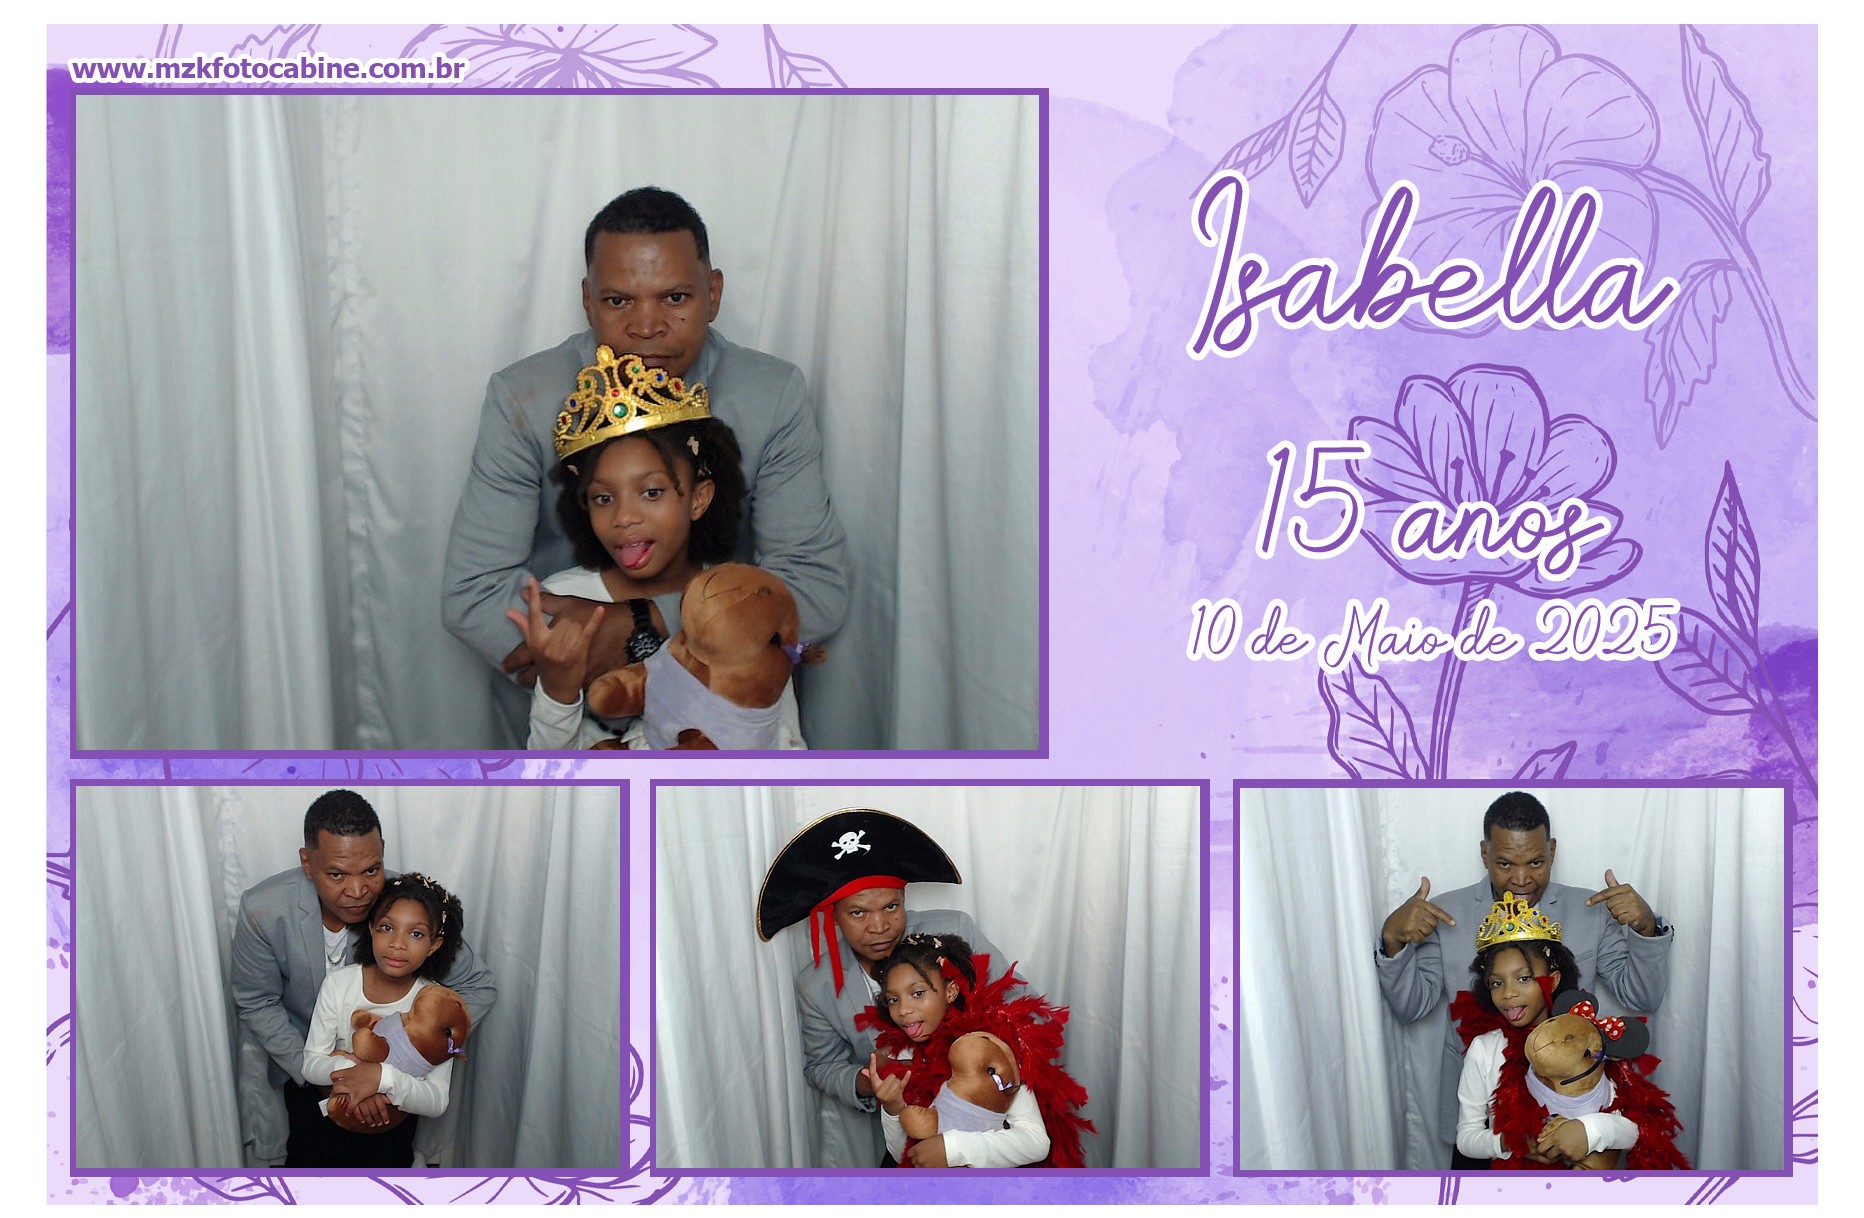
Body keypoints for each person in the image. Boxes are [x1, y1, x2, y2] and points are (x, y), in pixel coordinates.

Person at [442, 186, 850, 746]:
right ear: (587, 300)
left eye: (675, 297)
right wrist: (575, 665)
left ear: (713, 294)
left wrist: (645, 622)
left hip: (726, 715)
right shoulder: (524, 398)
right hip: (570, 713)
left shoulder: (771, 394)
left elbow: (815, 583)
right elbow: (474, 592)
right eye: (618, 301)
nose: (646, 326)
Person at [508, 345, 801, 748]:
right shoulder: (565, 600)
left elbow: (787, 746)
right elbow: (550, 773)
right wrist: (558, 690)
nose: (624, 517)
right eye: (603, 498)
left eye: (651, 492)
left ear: (698, 499)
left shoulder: (739, 600)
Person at [1375, 791, 1674, 1168]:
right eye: (1504, 863)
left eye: (1535, 862)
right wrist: (1393, 940)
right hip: (1484, 1118)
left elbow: (1643, 997)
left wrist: (1646, 930)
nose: (1520, 879)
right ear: (1484, 853)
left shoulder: (1592, 911)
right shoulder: (1444, 914)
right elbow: (1410, 1009)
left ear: (1552, 850)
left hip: (1574, 1113)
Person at [230, 790, 496, 1166]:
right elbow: (257, 1001)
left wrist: (413, 1054)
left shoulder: (404, 906)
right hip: (306, 1070)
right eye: (337, 874)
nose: (358, 892)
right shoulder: (263, 909)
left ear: (382, 851)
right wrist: (329, 1076)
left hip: (393, 1084)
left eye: (371, 870)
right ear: (307, 863)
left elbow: (478, 986)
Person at [755, 808, 1017, 1168]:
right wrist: (868, 1080)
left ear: (904, 900)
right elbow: (822, 1066)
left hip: (994, 1121)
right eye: (859, 913)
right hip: (909, 1130)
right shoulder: (816, 985)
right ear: (833, 916)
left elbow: (1019, 1004)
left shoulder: (955, 930)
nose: (880, 926)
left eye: (891, 906)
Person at [1450, 892, 1687, 1169]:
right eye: (1496, 983)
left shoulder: (1585, 1036)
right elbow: (1466, 1137)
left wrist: (1588, 1131)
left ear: (1552, 981)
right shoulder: (1485, 1049)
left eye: (1524, 978)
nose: (1508, 993)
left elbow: (1636, 1128)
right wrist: (1510, 1142)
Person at [859, 932, 1093, 1168]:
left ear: (950, 991)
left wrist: (953, 1149)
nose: (903, 1010)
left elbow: (1035, 1142)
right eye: (893, 999)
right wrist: (893, 1108)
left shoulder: (987, 1047)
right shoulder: (901, 1056)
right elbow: (905, 1156)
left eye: (918, 993)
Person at [298, 874, 467, 1167]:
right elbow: (311, 1063)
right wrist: (356, 1074)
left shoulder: (437, 1006)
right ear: (371, 929)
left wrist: (382, 1078)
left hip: (390, 1133)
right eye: (387, 928)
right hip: (327, 1125)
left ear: (434, 944)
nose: (398, 944)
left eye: (416, 934)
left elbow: (437, 1100)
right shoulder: (339, 984)